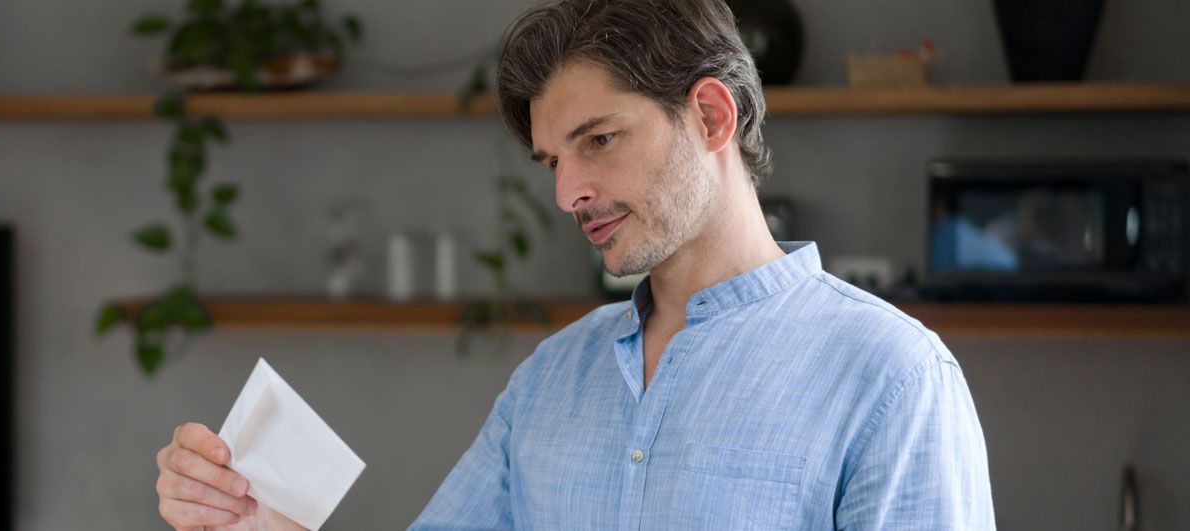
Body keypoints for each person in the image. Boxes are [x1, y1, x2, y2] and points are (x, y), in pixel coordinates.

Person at [154, 0, 995, 529]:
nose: (570, 192)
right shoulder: (552, 377)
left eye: (598, 140)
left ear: (708, 115)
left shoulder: (891, 377)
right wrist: (256, 521)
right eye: (553, 160)